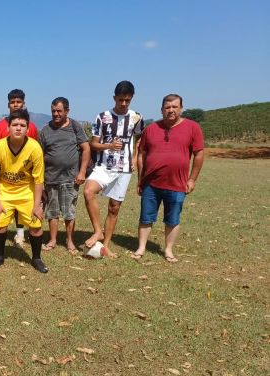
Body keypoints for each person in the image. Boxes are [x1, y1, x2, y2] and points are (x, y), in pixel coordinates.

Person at [132, 94, 204, 262]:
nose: (171, 110)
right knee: (145, 217)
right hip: (151, 184)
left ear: (181, 109)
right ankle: (141, 247)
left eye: (174, 107)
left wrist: (192, 179)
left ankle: (168, 250)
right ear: (162, 110)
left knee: (172, 219)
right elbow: (141, 154)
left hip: (177, 183)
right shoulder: (151, 128)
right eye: (167, 107)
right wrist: (141, 179)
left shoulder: (193, 127)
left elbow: (199, 154)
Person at [84, 80, 144, 258]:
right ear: (114, 98)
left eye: (127, 100)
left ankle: (106, 246)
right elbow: (93, 143)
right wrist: (109, 145)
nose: (123, 103)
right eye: (120, 100)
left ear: (132, 98)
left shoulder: (136, 117)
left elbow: (139, 138)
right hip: (103, 166)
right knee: (88, 191)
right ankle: (98, 231)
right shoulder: (102, 117)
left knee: (114, 208)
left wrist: (134, 157)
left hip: (123, 170)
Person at [0, 109, 47, 273]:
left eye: (22, 125)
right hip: (5, 190)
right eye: (15, 125)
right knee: (0, 225)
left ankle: (36, 258)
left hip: (27, 191)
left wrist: (37, 205)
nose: (18, 128)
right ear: (8, 127)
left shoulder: (34, 148)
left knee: (36, 225)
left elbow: (38, 179)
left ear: (28, 128)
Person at [38, 97, 90, 254]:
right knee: (52, 211)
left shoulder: (75, 127)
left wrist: (82, 172)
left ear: (67, 111)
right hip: (50, 178)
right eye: (53, 111)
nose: (56, 114)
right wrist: (41, 180)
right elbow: (40, 155)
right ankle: (52, 240)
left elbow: (86, 148)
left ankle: (70, 241)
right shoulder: (45, 130)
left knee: (69, 211)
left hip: (70, 178)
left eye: (59, 111)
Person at [0, 89, 38, 248]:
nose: (16, 105)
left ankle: (20, 233)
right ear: (8, 104)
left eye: (19, 102)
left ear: (23, 103)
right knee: (3, 208)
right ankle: (1, 242)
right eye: (13, 102)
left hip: (24, 178)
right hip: (4, 178)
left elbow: (33, 153)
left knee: (24, 207)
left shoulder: (32, 127)